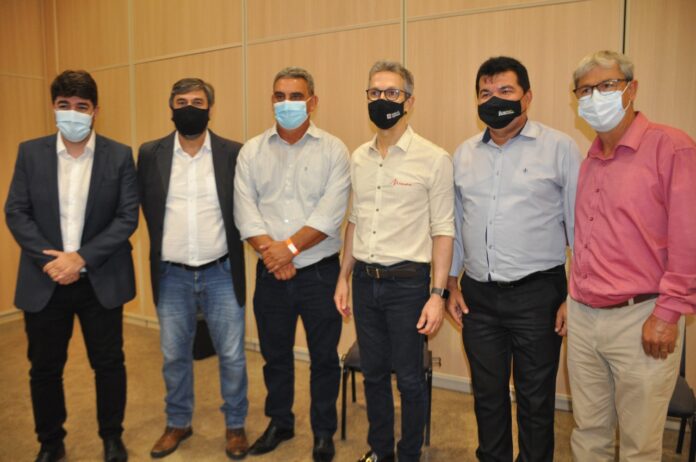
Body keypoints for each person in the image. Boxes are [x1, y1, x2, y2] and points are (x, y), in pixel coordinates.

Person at [446, 56, 581, 462]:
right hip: (478, 296)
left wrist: (573, 296)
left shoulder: (559, 148)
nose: (495, 100)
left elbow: (581, 230)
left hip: (537, 295)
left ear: (527, 97)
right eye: (485, 93)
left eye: (505, 91)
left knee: (535, 400)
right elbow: (456, 225)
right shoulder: (463, 154)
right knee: (487, 396)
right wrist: (450, 282)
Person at [567, 50, 696, 461]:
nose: (595, 96)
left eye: (606, 85)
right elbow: (587, 240)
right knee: (588, 433)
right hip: (584, 316)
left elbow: (689, 240)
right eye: (585, 90)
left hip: (641, 318)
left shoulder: (671, 147)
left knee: (639, 445)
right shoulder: (590, 160)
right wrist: (572, 296)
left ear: (631, 89)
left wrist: (669, 313)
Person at [5, 70, 137, 462]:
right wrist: (55, 261)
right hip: (45, 278)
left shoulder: (119, 155)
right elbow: (16, 211)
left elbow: (127, 217)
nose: (73, 113)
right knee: (44, 368)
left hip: (100, 279)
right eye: (65, 105)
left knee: (109, 364)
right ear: (54, 107)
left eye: (82, 106)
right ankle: (50, 442)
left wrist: (81, 258)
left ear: (95, 110)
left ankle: (111, 437)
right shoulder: (30, 153)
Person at [334, 60, 454, 462]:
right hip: (365, 282)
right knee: (373, 376)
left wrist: (437, 295)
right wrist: (343, 276)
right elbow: (354, 221)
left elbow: (444, 230)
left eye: (391, 92)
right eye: (374, 92)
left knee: (409, 379)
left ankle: (409, 454)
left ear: (409, 101)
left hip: (408, 285)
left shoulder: (434, 159)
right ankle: (381, 452)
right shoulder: (359, 158)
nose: (382, 99)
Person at [234, 66, 350, 462]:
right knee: (275, 356)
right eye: (280, 96)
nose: (287, 103)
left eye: (296, 96)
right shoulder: (252, 151)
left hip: (319, 273)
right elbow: (245, 211)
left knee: (324, 359)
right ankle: (280, 422)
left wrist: (288, 249)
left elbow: (330, 213)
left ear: (312, 102)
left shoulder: (334, 150)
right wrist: (274, 254)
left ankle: (323, 432)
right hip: (270, 273)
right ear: (272, 100)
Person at [137, 78, 249, 460]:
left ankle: (235, 425)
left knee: (232, 355)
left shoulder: (233, 152)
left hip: (221, 271)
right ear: (171, 107)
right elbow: (145, 207)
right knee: (174, 355)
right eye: (182, 101)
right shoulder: (149, 153)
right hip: (171, 275)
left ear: (210, 109)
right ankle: (178, 422)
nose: (189, 108)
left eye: (197, 102)